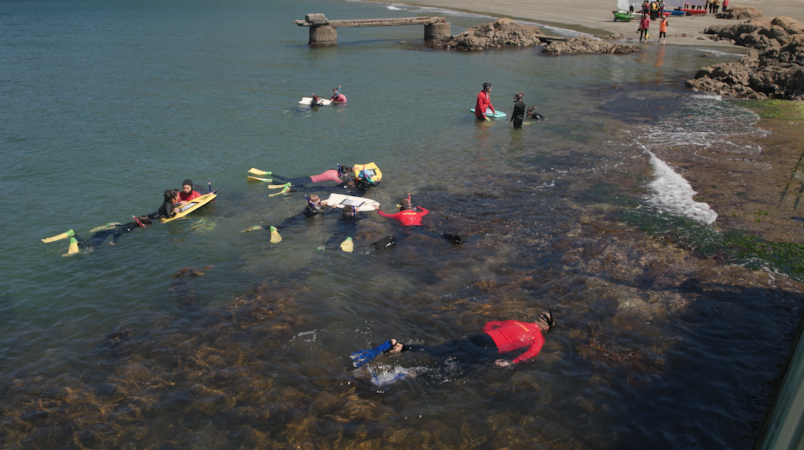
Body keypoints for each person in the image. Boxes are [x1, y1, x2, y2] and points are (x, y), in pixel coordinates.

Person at [361, 311, 555, 369]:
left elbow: (490, 323)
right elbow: (530, 354)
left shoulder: (516, 321)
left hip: (480, 337)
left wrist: (484, 334)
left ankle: (402, 347)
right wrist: (510, 362)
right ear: (547, 328)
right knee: (457, 369)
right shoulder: (537, 338)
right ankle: (412, 374)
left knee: (437, 350)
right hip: (489, 347)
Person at [272, 166, 352, 187]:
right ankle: (274, 182)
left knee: (287, 180)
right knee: (291, 184)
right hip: (309, 181)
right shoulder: (334, 178)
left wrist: (351, 169)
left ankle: (272, 175)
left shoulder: (332, 170)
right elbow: (342, 183)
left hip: (308, 177)